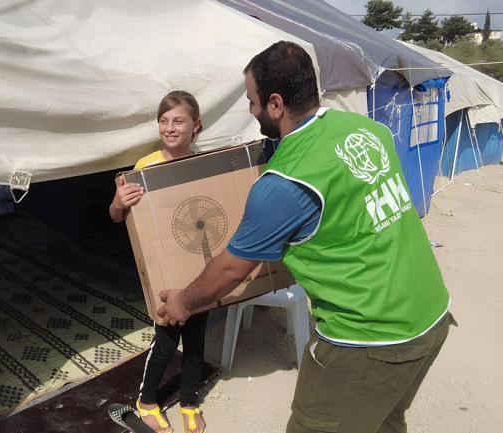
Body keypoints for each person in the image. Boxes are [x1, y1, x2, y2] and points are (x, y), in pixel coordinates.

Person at [158, 41, 455, 433]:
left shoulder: (284, 182)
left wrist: (183, 301)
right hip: (431, 313)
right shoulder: (366, 129)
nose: (251, 110)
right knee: (382, 422)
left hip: (371, 340)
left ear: (276, 104)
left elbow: (230, 269)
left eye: (252, 101)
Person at [108, 90, 207, 433]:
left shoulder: (203, 165)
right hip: (163, 270)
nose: (169, 127)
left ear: (196, 126)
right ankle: (147, 400)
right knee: (166, 338)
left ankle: (190, 401)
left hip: (198, 268)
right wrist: (120, 201)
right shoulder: (144, 167)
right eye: (163, 121)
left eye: (178, 120)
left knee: (196, 338)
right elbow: (116, 216)